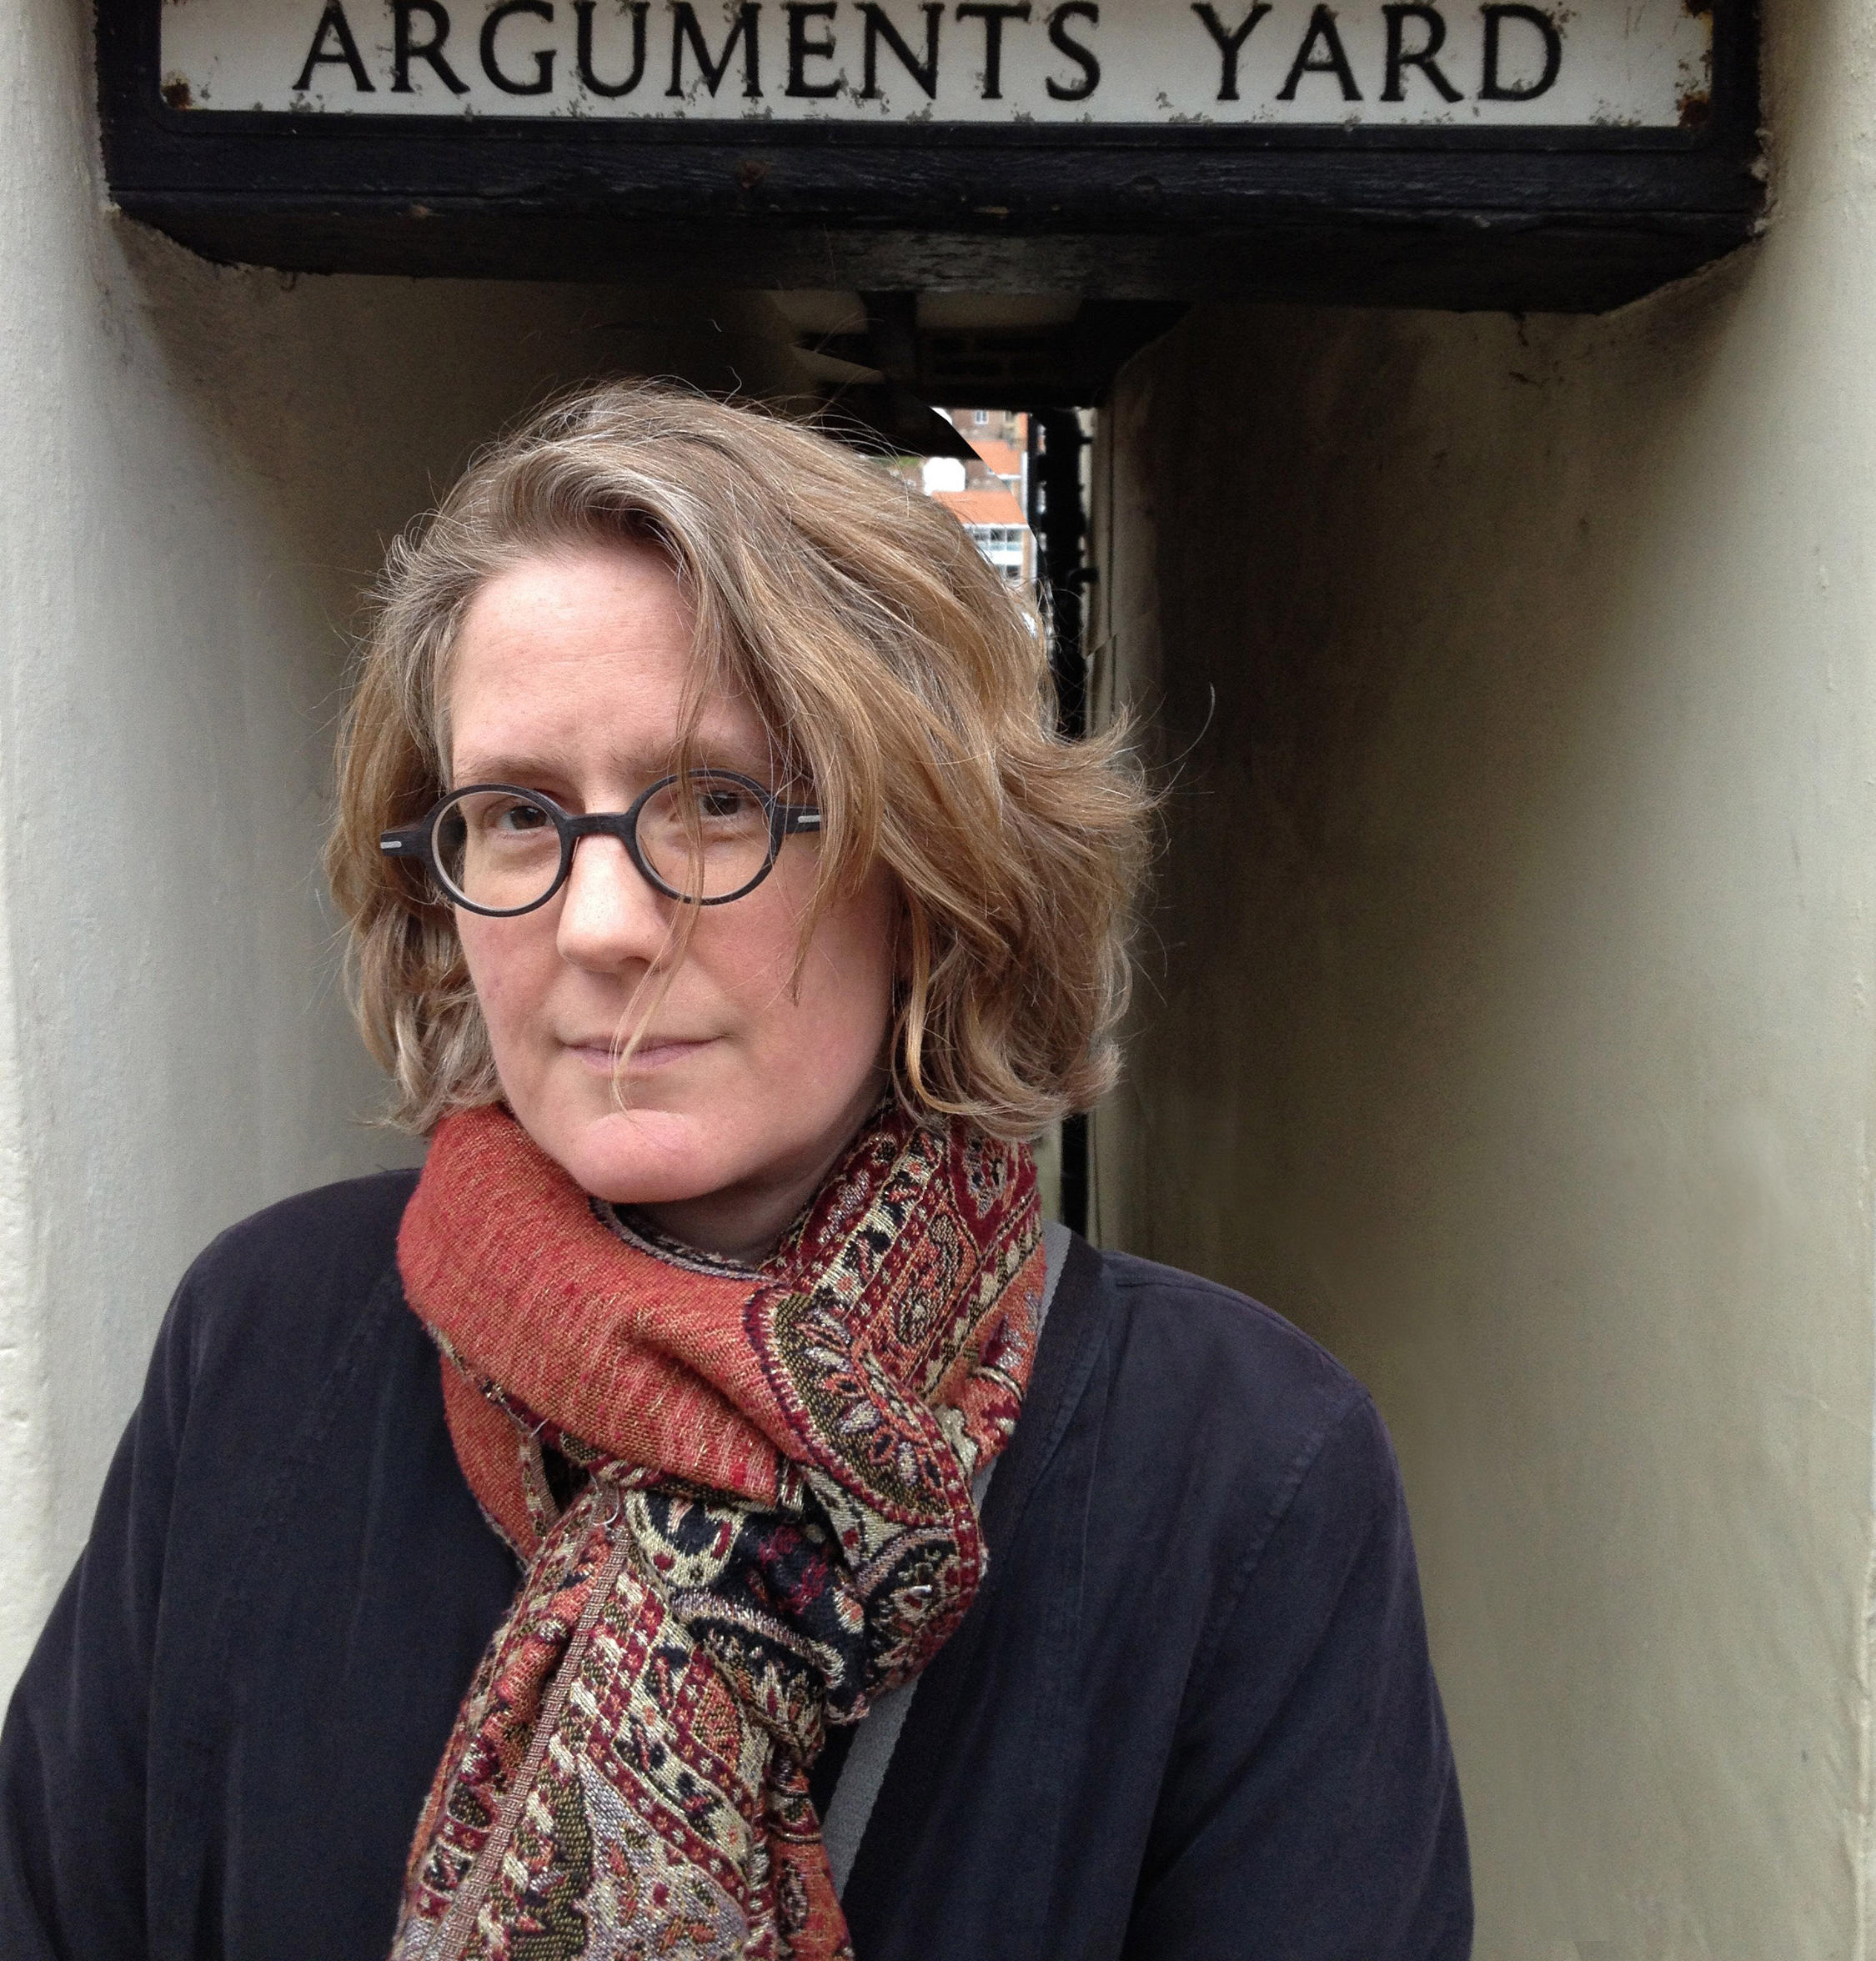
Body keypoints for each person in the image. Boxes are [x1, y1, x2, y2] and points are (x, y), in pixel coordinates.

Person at [0, 381, 1471, 1960]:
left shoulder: (1238, 1471)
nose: (602, 922)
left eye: (714, 803)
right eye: (514, 817)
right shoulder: (268, 1347)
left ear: (932, 870)